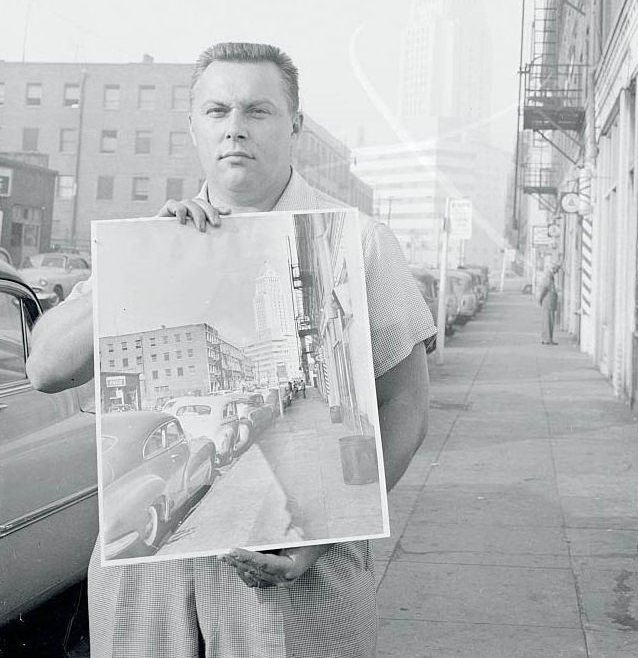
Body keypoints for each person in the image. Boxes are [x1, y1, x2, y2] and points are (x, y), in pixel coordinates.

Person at [27, 41, 433, 658]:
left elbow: (405, 406)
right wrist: (144, 264)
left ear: (293, 126)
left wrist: (326, 531)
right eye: (217, 112)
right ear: (193, 126)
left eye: (258, 111)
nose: (235, 130)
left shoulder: (358, 243)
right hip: (149, 573)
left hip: (293, 573)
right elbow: (46, 368)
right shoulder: (153, 245)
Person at [538, 265, 559, 345]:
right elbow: (544, 289)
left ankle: (545, 338)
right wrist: (540, 299)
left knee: (546, 321)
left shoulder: (549, 277)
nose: (556, 272)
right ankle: (548, 339)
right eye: (556, 269)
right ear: (552, 269)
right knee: (549, 321)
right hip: (548, 303)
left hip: (548, 303)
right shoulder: (548, 278)